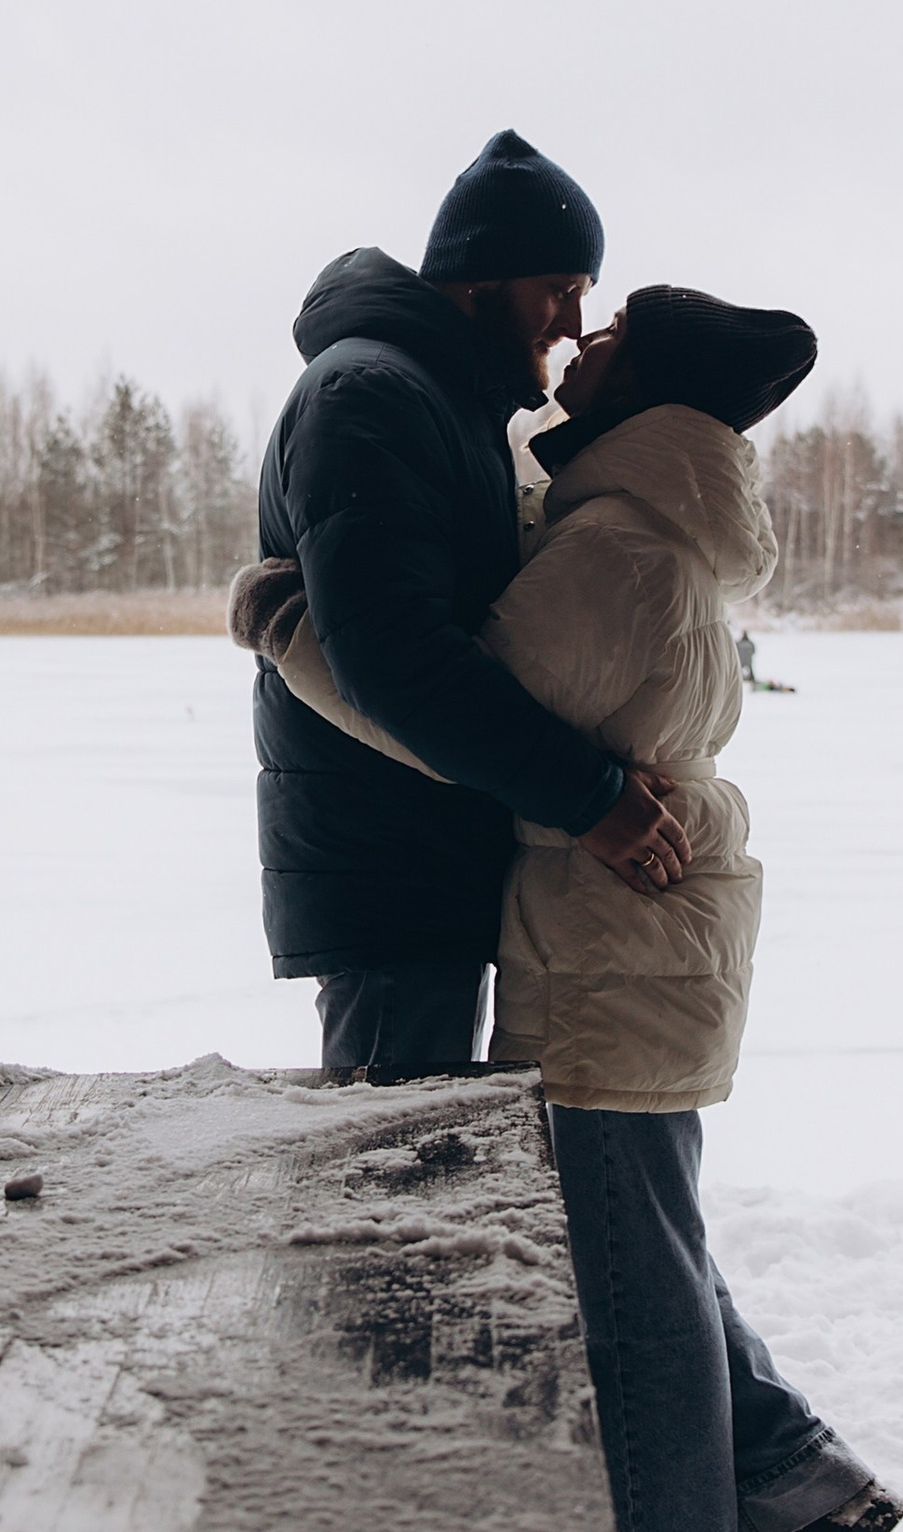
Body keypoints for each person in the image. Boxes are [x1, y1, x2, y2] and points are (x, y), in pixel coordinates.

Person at [241, 282, 903, 1532]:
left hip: (615, 947)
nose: (579, 345)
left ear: (650, 394)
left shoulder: (617, 552)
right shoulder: (637, 527)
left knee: (620, 1266)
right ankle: (796, 1478)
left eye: (611, 342)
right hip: (633, 944)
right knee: (636, 1235)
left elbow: (453, 709)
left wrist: (286, 623)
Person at [248, 131, 694, 1083]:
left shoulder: (444, 402)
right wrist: (591, 800)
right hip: (388, 870)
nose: (574, 322)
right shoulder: (369, 396)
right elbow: (396, 658)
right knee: (390, 1163)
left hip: (426, 859)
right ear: (481, 277)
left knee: (418, 1154)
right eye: (559, 288)